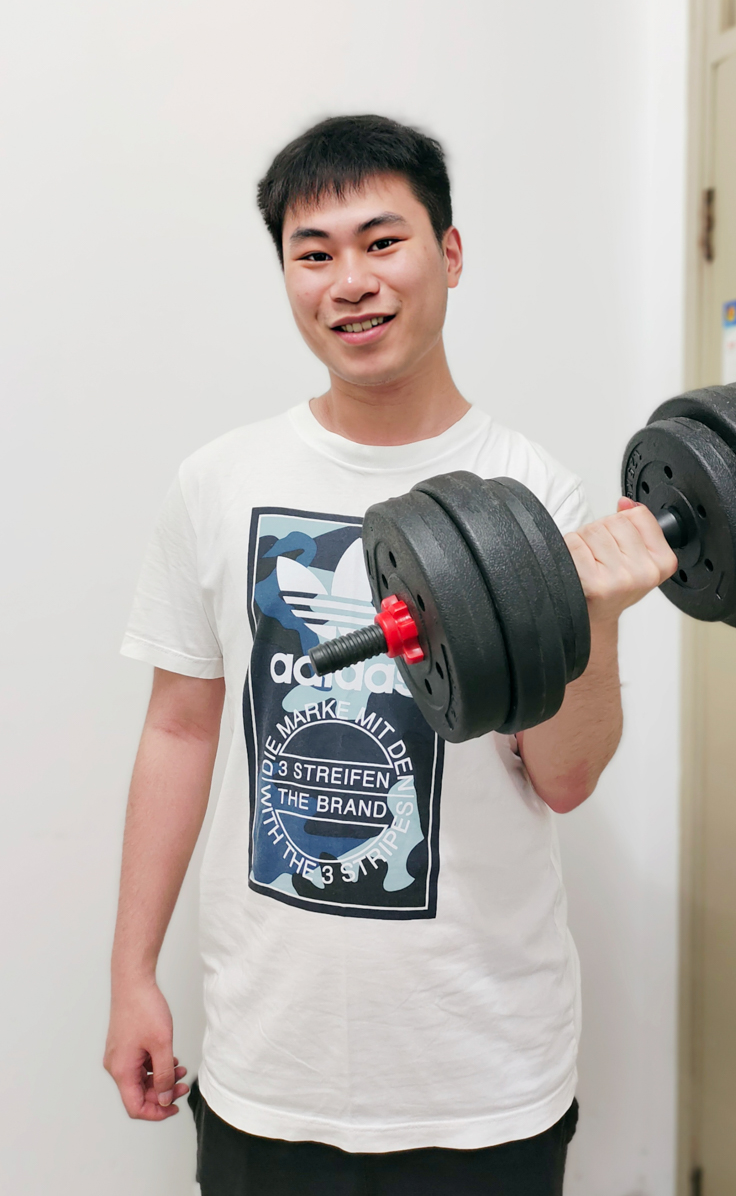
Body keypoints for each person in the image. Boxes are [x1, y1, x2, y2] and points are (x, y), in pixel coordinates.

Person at [103, 114, 677, 1195]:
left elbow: (562, 778)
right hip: (270, 1067)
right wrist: (131, 971)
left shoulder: (534, 492)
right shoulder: (218, 482)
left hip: (481, 1077)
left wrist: (595, 619)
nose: (350, 281)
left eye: (382, 241)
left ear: (448, 254)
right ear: (287, 276)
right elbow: (178, 729)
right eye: (314, 253)